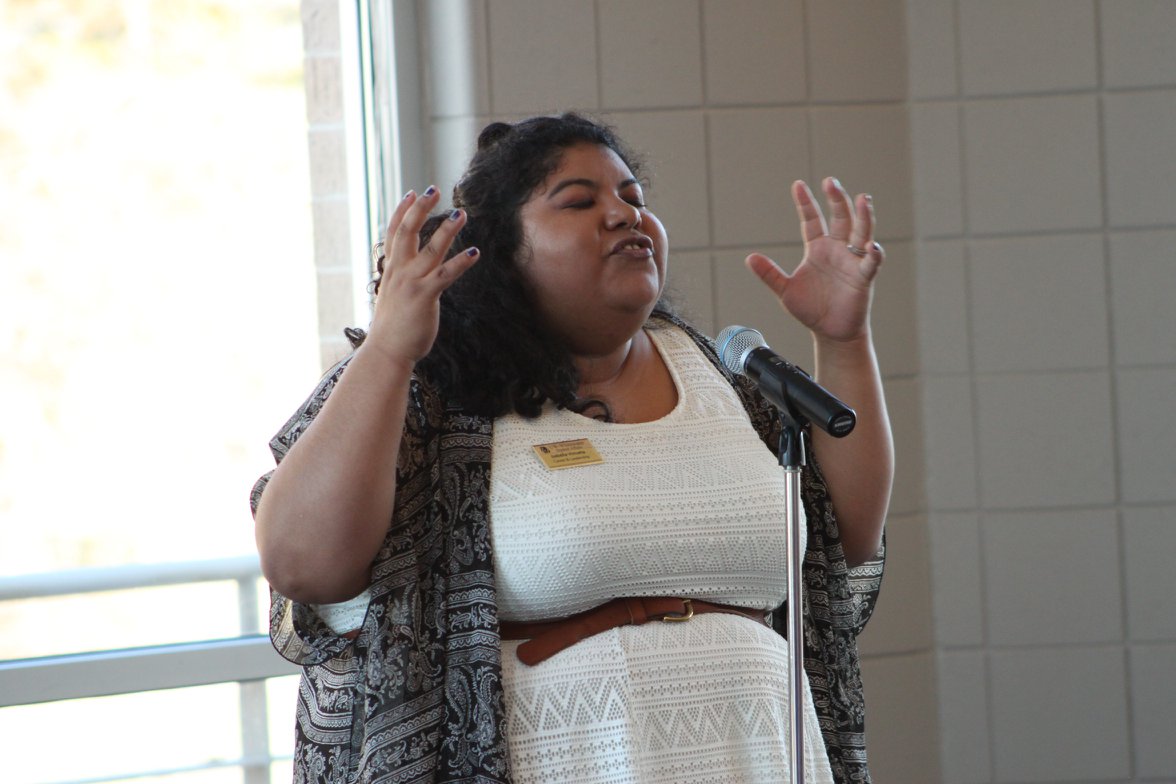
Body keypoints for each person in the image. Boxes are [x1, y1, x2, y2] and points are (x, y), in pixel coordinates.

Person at [251, 112, 892, 784]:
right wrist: (387, 349)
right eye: (580, 202)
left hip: (759, 754)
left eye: (634, 198)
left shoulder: (731, 377)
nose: (623, 215)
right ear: (498, 252)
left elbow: (838, 540)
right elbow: (302, 566)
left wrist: (844, 343)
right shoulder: (433, 383)